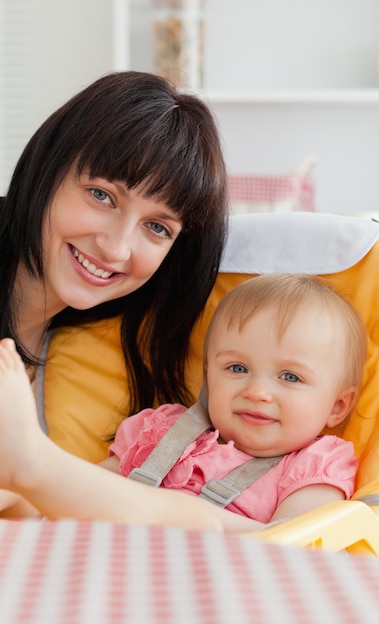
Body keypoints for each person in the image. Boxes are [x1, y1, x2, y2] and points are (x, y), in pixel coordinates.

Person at [0, 70, 228, 522]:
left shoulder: (107, 350)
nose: (116, 247)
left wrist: (36, 474)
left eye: (157, 227)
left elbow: (200, 524)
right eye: (101, 195)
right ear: (48, 168)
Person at [0, 274, 367, 533]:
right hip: (107, 571)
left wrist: (186, 515)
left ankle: (32, 462)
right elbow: (93, 488)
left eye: (290, 377)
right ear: (209, 377)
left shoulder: (315, 465)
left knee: (196, 521)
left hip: (214, 582)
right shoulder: (164, 430)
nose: (257, 391)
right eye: (237, 368)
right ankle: (21, 485)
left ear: (337, 407)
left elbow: (291, 545)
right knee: (38, 499)